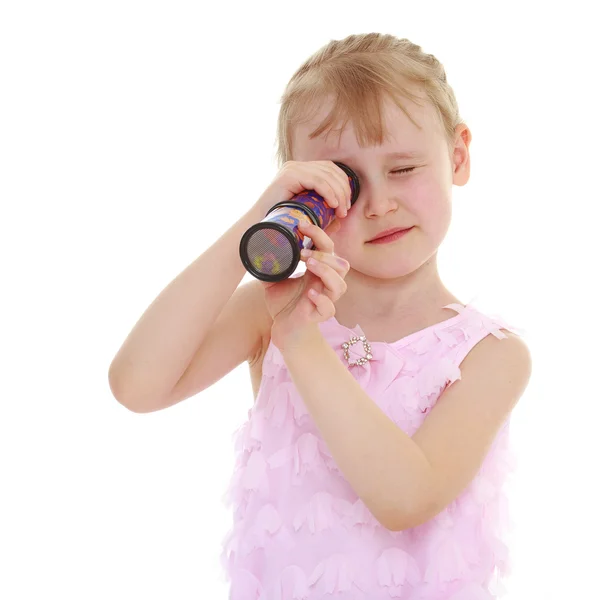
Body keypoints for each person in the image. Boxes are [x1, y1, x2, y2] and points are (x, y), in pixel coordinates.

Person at [108, 32, 532, 600]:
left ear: (457, 156)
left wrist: (303, 342)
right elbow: (136, 384)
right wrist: (257, 225)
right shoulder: (271, 313)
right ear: (308, 188)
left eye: (404, 168)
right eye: (347, 182)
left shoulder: (489, 354)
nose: (380, 204)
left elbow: (405, 499)